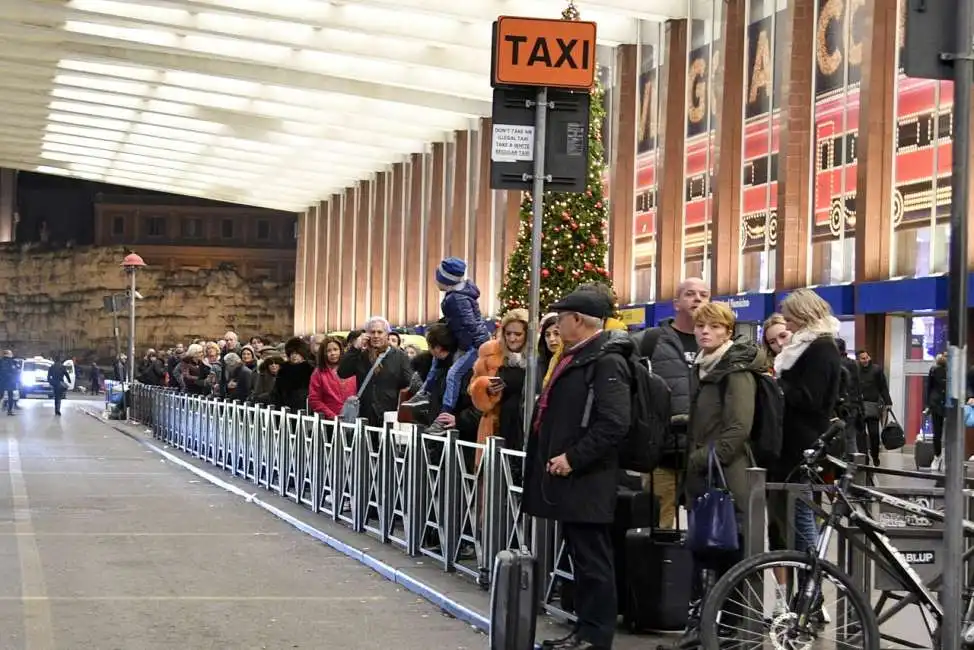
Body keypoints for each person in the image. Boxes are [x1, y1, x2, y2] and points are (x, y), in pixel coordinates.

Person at [523, 288, 632, 650]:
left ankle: (596, 638)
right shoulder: (577, 356)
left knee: (593, 562)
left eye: (562, 317)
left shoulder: (606, 360)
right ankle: (582, 632)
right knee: (581, 559)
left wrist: (573, 457)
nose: (556, 323)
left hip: (589, 479)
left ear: (579, 320)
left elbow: (614, 422)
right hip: (573, 480)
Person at [677, 301, 764, 647]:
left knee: (730, 554)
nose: (705, 332)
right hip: (705, 477)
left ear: (728, 331)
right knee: (703, 552)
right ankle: (701, 628)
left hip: (728, 477)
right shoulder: (703, 368)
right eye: (700, 326)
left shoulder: (735, 371)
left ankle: (727, 632)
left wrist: (701, 458)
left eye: (713, 327)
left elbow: (739, 427)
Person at [633, 277, 710, 528]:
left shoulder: (715, 343)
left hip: (704, 456)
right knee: (658, 529)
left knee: (706, 534)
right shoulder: (651, 340)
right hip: (662, 456)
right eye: (690, 294)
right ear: (676, 303)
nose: (697, 299)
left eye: (704, 295)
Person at [403, 257, 490, 434]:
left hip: (473, 345)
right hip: (465, 341)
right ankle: (424, 392)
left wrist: (481, 347)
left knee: (453, 374)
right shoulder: (456, 296)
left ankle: (445, 414)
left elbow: (472, 324)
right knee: (436, 362)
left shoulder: (457, 299)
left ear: (446, 280)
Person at [857, 349, 892, 466]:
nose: (866, 360)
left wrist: (888, 402)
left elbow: (883, 386)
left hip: (873, 406)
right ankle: (864, 458)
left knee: (874, 434)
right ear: (859, 360)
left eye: (867, 357)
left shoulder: (876, 370)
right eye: (863, 358)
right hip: (860, 407)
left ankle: (875, 455)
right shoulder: (856, 371)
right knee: (861, 435)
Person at [308, 337, 357, 419]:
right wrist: (333, 416)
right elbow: (314, 400)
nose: (333, 353)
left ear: (341, 351)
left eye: (335, 349)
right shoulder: (318, 373)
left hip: (353, 418)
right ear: (323, 353)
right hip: (329, 422)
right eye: (328, 351)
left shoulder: (351, 368)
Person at [0, 350, 18, 415]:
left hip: (1, 381)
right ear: (8, 354)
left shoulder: (0, 361)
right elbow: (15, 371)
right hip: (10, 381)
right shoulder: (12, 362)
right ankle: (9, 411)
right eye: (11, 353)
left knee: (0, 395)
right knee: (10, 396)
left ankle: (9, 410)